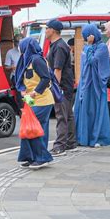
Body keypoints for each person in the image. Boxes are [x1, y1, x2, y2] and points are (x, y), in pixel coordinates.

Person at [15, 37, 54, 170]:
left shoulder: (36, 60)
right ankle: (30, 156)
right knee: (29, 127)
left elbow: (46, 78)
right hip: (31, 100)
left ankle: (42, 158)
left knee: (33, 128)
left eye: (21, 47)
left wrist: (34, 92)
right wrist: (23, 90)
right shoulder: (27, 60)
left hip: (42, 100)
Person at [74, 24, 110, 147]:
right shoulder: (86, 47)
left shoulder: (102, 47)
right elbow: (84, 65)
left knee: (95, 110)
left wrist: (89, 46)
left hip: (96, 86)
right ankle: (83, 138)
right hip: (85, 84)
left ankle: (98, 137)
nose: (86, 38)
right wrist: (88, 47)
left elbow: (92, 61)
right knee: (84, 110)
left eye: (87, 35)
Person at [45, 19, 76, 156]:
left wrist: (54, 88)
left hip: (61, 85)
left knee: (61, 115)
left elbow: (58, 70)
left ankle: (60, 146)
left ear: (52, 30)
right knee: (68, 114)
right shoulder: (58, 45)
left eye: (47, 28)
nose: (45, 31)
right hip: (66, 85)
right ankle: (70, 142)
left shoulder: (59, 46)